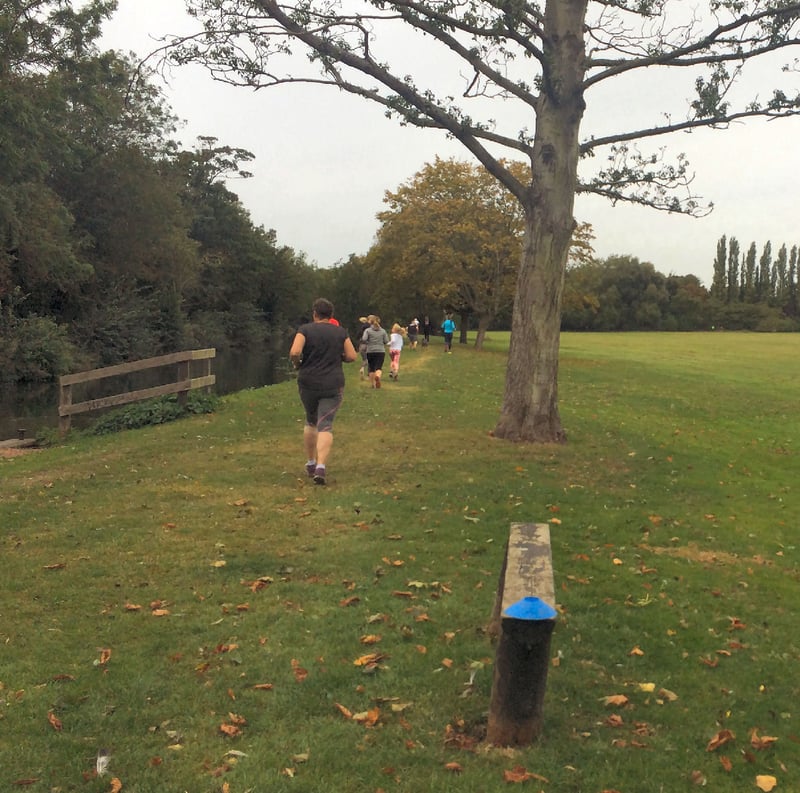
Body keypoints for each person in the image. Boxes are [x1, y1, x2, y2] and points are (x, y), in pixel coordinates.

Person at [289, 298, 357, 486]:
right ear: (331, 315)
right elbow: (352, 356)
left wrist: (298, 364)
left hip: (308, 381)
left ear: (314, 313)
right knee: (325, 424)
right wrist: (338, 357)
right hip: (332, 383)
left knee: (311, 420)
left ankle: (311, 462)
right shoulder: (340, 332)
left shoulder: (305, 330)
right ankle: (321, 467)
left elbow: (295, 352)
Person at [361, 315, 389, 388]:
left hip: (370, 351)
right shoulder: (383, 331)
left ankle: (373, 384)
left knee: (371, 368)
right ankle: (378, 376)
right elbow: (386, 341)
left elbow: (364, 339)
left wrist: (368, 342)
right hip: (380, 351)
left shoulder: (368, 330)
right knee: (379, 367)